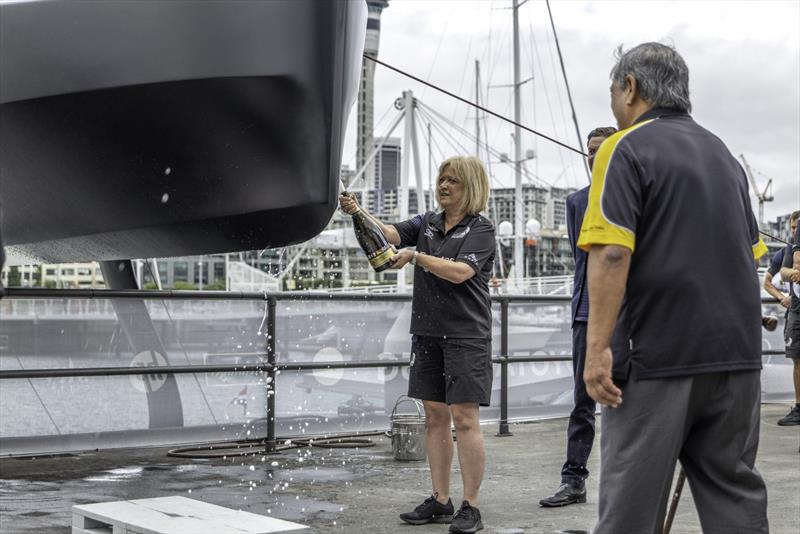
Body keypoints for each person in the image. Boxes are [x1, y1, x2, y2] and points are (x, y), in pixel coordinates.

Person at [578, 42, 769, 533]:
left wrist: (596, 348)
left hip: (658, 357)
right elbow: (750, 257)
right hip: (737, 358)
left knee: (630, 507)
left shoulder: (623, 146)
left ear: (631, 88)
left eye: (613, 91)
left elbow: (612, 252)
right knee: (734, 495)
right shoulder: (723, 155)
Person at [339, 156, 495, 534]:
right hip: (427, 333)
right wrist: (358, 211)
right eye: (441, 179)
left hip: (465, 335)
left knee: (465, 419)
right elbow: (390, 234)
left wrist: (416, 257)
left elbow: (461, 273)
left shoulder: (481, 228)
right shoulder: (427, 222)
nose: (443, 186)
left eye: (452, 181)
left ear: (469, 186)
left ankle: (471, 505)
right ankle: (441, 499)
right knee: (435, 417)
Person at [538, 126, 620, 508]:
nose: (593, 156)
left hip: (631, 315)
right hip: (586, 313)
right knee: (582, 400)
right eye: (589, 151)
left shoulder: (633, 196)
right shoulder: (576, 202)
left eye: (601, 149)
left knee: (630, 399)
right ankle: (574, 480)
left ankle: (627, 483)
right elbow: (582, 258)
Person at [778, 213, 800, 426]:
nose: (794, 232)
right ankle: (799, 407)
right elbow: (782, 272)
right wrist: (791, 272)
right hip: (796, 311)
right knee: (797, 360)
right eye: (792, 228)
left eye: (797, 228)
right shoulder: (790, 247)